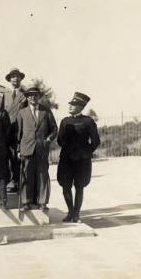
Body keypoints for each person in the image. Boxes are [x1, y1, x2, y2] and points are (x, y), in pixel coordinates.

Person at [57, 92, 100, 223]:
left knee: (79, 186)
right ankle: (70, 212)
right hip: (66, 159)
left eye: (74, 104)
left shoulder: (88, 121)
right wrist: (68, 149)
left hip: (82, 161)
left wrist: (86, 152)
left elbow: (95, 141)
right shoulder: (65, 121)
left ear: (81, 107)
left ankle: (76, 214)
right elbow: (59, 140)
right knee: (65, 186)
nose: (70, 106)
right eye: (70, 104)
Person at [17, 85, 58, 212]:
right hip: (26, 148)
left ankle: (42, 202)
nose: (32, 97)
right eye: (29, 95)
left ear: (39, 96)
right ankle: (26, 201)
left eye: (35, 95)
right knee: (26, 175)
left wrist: (48, 140)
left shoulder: (46, 111)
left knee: (42, 175)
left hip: (41, 148)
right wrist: (18, 149)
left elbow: (54, 129)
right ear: (27, 98)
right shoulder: (22, 112)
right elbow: (18, 133)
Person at [3, 67, 28, 192]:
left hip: (20, 129)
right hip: (7, 131)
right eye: (13, 76)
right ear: (10, 79)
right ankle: (10, 181)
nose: (15, 78)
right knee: (8, 156)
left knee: (18, 156)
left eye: (17, 76)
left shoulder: (25, 95)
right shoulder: (5, 95)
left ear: (20, 78)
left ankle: (18, 182)